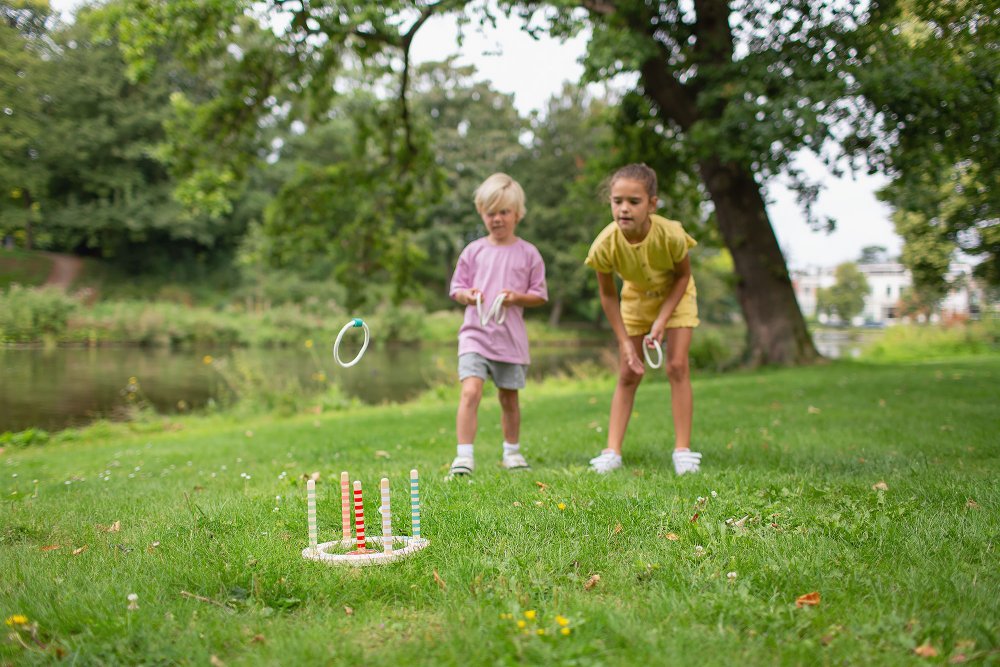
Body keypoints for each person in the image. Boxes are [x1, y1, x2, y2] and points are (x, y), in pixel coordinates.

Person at [584, 163, 702, 475]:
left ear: (652, 203)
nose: (624, 209)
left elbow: (683, 277)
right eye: (617, 201)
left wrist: (662, 322)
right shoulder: (604, 245)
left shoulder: (671, 235)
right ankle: (612, 451)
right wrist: (624, 343)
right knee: (628, 373)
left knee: (677, 366)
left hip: (676, 296)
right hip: (636, 299)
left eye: (633, 202)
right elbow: (608, 296)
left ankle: (683, 451)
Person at [447, 173, 548, 476]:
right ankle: (464, 456)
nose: (497, 219)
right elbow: (457, 288)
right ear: (482, 213)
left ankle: (511, 452)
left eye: (504, 212)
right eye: (491, 213)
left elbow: (539, 295)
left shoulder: (529, 253)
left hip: (509, 340)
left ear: (517, 214)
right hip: (475, 336)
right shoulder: (473, 250)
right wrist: (468, 294)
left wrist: (516, 297)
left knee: (508, 398)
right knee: (470, 392)